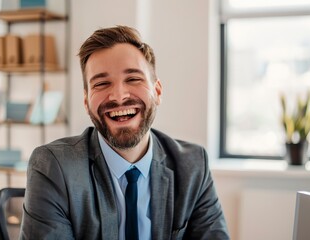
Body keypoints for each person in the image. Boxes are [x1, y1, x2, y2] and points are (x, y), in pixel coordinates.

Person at [19, 25, 230, 240]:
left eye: (133, 79)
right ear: (86, 101)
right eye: (101, 83)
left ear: (157, 91)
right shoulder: (54, 166)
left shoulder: (193, 166)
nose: (118, 97)